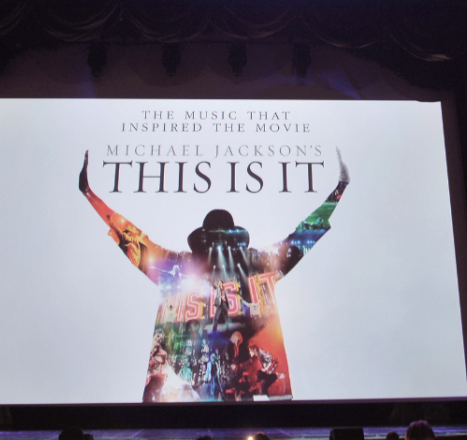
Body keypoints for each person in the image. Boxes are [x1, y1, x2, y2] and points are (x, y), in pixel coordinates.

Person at [79, 148, 349, 402]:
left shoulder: (253, 262)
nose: (219, 248)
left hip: (243, 390)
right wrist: (90, 195)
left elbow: (302, 236)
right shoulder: (180, 266)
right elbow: (132, 238)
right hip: (186, 388)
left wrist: (336, 193)